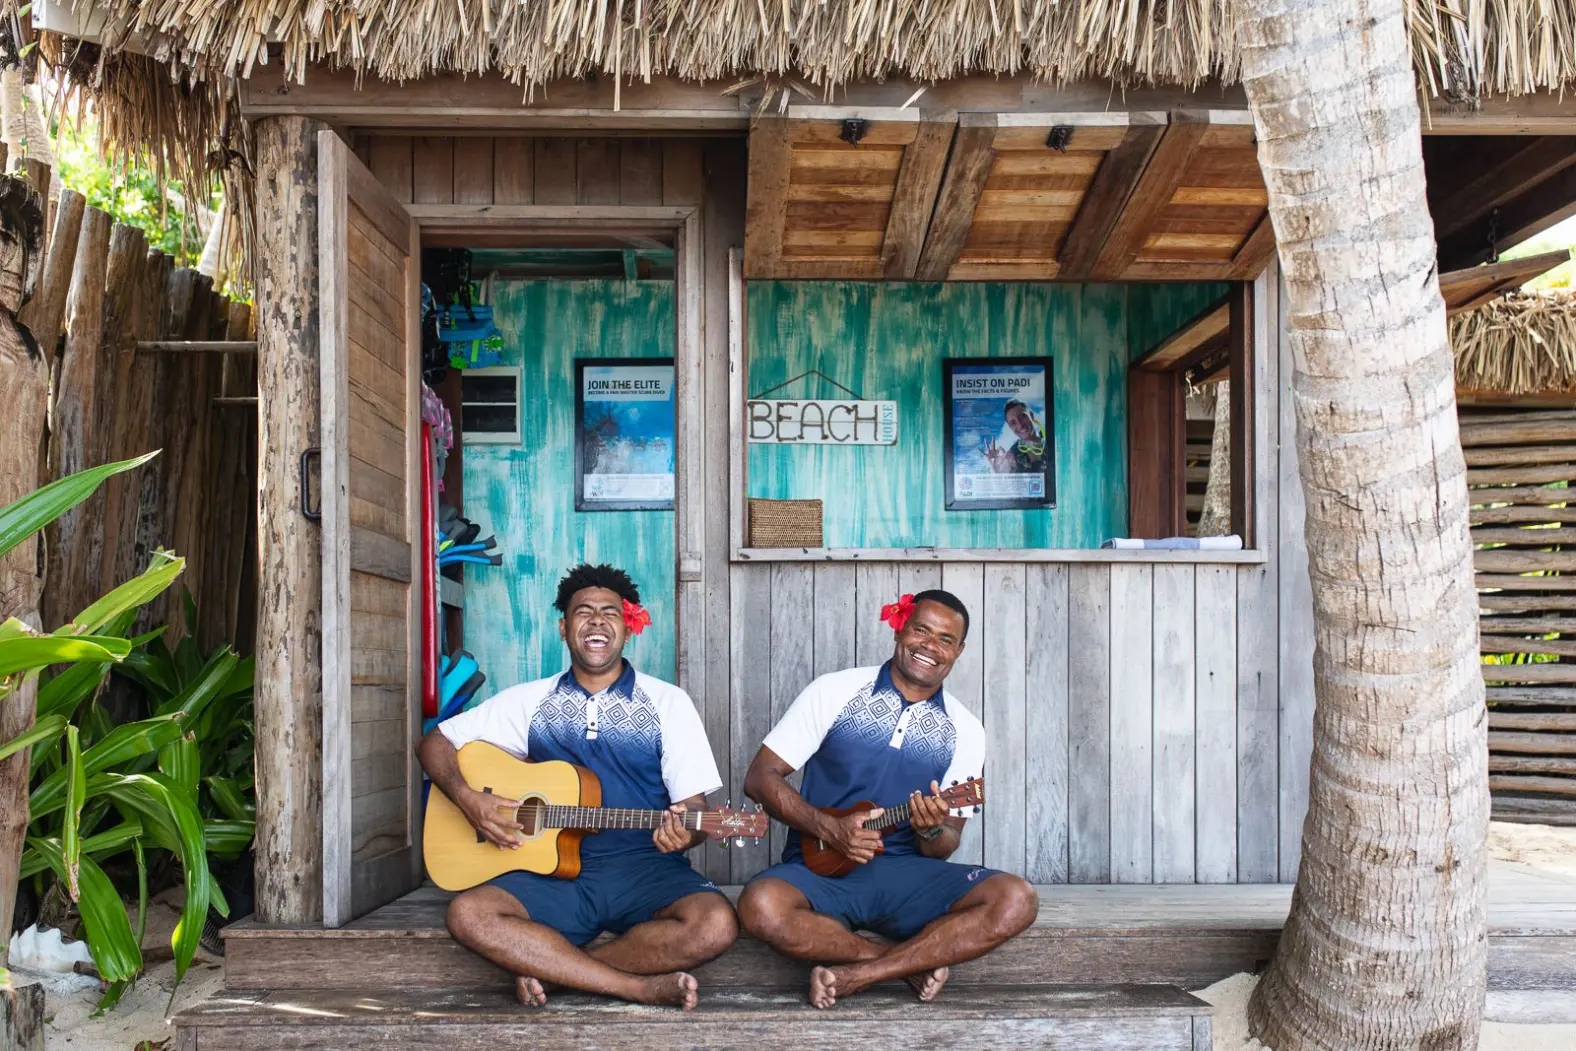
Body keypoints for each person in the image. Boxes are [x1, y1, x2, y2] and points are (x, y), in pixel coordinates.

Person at [418, 564, 736, 1011]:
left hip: (643, 868)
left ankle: (563, 970)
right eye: (583, 612)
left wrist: (690, 830)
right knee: (468, 914)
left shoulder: (667, 702)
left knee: (715, 923)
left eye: (610, 612)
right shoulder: (530, 700)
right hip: (549, 873)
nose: (597, 620)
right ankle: (634, 987)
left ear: (628, 627)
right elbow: (435, 742)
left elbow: (694, 808)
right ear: (564, 628)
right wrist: (469, 799)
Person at [736, 590, 1038, 1009]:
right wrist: (831, 829)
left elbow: (943, 845)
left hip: (902, 876)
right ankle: (904, 965)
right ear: (900, 630)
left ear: (959, 651)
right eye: (921, 630)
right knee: (761, 905)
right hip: (819, 869)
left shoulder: (966, 730)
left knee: (1016, 898)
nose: (930, 646)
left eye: (946, 639)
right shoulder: (835, 691)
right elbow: (759, 778)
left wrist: (930, 825)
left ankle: (861, 975)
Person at [983, 398, 1047, 474]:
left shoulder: (1051, 440)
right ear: (1010, 428)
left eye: (1022, 417)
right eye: (1013, 423)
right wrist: (995, 470)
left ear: (1031, 416)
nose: (1020, 425)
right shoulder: (1012, 456)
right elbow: (1004, 482)